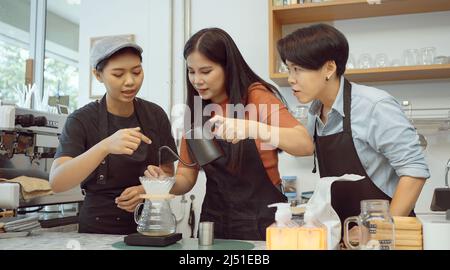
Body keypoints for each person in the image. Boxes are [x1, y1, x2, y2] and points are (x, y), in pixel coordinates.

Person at [146, 28, 314, 240]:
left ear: (228, 67)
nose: (196, 80)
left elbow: (305, 144)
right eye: (191, 71)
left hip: (260, 222)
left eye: (206, 71)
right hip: (213, 225)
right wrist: (165, 182)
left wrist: (252, 128)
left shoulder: (256, 97)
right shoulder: (197, 110)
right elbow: (186, 178)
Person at [277, 24, 430, 227]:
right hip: (345, 230)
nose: (290, 79)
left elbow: (414, 171)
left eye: (298, 69)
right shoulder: (315, 112)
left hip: (387, 236)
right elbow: (303, 149)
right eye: (289, 69)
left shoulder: (374, 106)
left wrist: (378, 230)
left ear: (329, 68)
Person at [49, 36, 178, 234]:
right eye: (118, 74)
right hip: (97, 227)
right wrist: (104, 146)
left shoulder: (155, 115)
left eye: (137, 71)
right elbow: (58, 182)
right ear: (98, 75)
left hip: (149, 224)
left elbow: (168, 171)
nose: (130, 81)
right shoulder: (81, 120)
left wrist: (147, 189)